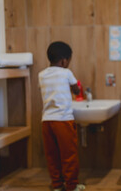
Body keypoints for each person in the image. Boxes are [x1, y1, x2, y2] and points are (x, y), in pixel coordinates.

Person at [38, 41, 85, 191]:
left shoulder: (42, 75)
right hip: (63, 121)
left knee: (52, 156)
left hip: (46, 121)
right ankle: (71, 186)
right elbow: (76, 90)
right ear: (65, 60)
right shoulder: (66, 73)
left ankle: (57, 185)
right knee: (69, 155)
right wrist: (77, 90)